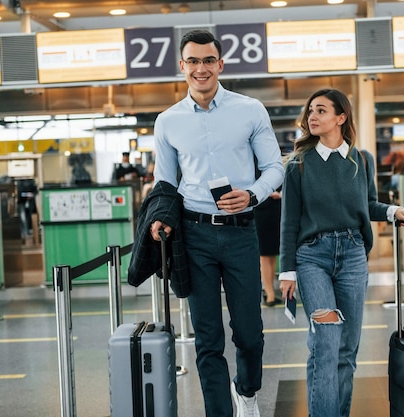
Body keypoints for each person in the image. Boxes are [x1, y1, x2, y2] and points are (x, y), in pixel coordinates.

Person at [149, 29, 284, 417]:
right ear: (182, 67)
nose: (201, 68)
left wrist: (252, 195)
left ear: (220, 64)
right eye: (193, 61)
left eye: (209, 60)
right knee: (207, 339)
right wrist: (161, 218)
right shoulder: (167, 121)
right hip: (193, 235)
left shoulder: (250, 110)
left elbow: (275, 167)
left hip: (241, 231)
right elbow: (166, 183)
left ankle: (247, 391)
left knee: (249, 334)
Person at [278, 88, 404, 417]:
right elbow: (289, 222)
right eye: (311, 110)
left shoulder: (362, 159)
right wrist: (287, 271)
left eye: (321, 111)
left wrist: (391, 210)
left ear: (341, 118)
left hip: (353, 255)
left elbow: (367, 204)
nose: (312, 116)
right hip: (312, 258)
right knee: (325, 343)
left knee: (346, 350)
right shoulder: (298, 164)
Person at [254, 188, 282, 306]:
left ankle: (270, 291)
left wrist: (281, 194)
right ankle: (269, 293)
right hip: (261, 210)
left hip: (276, 209)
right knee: (264, 254)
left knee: (272, 253)